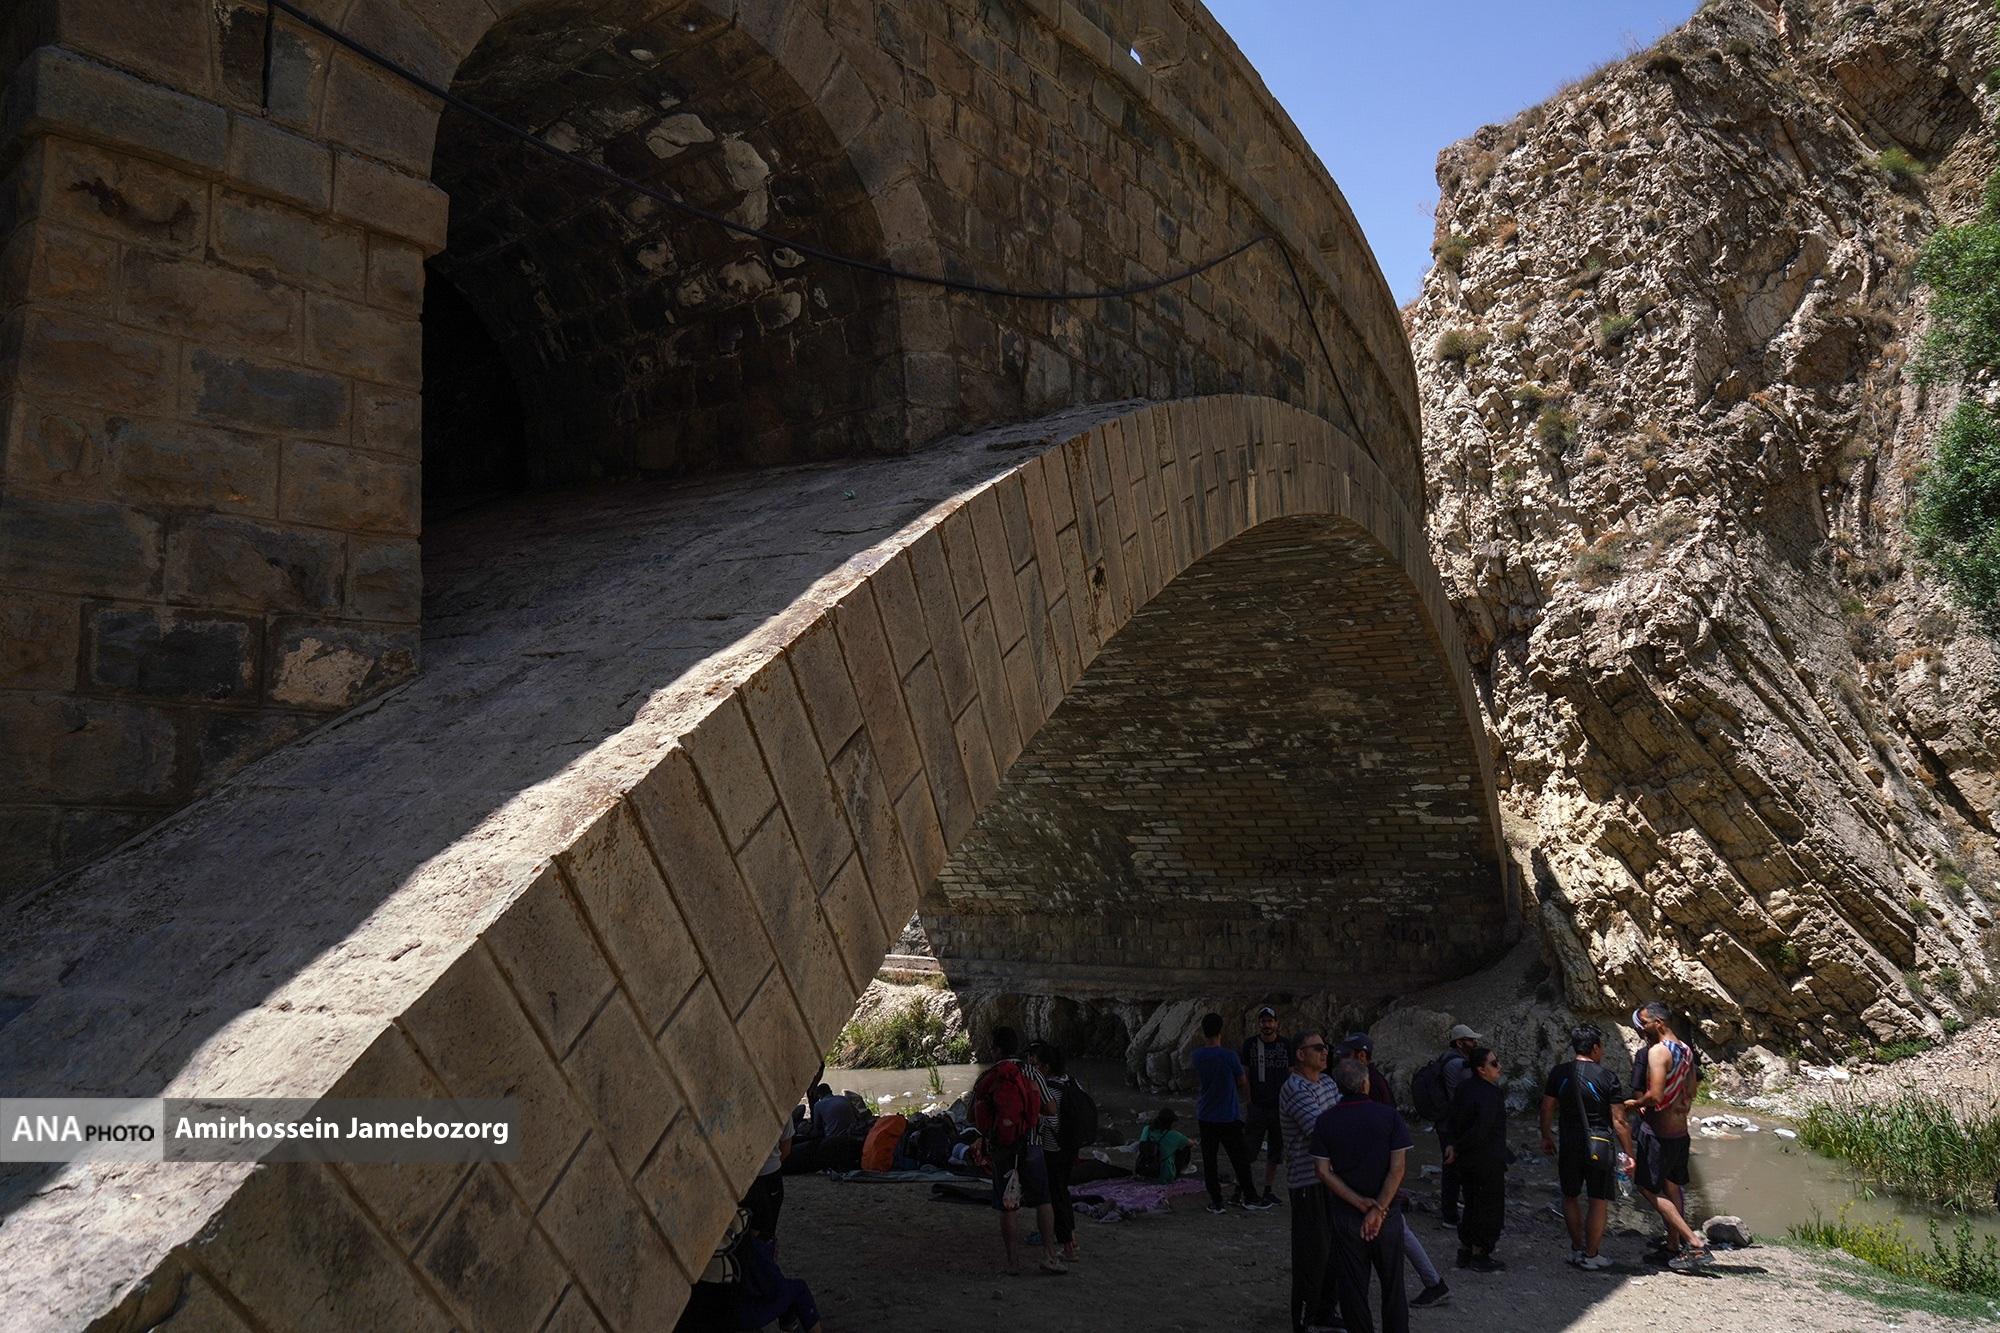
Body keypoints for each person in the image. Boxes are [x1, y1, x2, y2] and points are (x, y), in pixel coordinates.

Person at [1311, 1058, 1413, 1333]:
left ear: (1338, 1087)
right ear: (1366, 1083)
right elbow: (1397, 1169)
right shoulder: (1389, 1116)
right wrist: (1379, 1208)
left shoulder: (1325, 1121)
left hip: (1347, 1214)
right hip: (1387, 1216)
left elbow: (1322, 1171)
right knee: (1393, 1286)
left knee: (1353, 1289)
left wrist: (1359, 1203)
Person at [1624, 1003, 1712, 1271]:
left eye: (1644, 1023)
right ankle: (1673, 1246)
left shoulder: (1658, 1052)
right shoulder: (1685, 1050)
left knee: (1646, 1188)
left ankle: (1693, 1243)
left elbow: (1655, 1096)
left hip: (1659, 1133)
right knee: (1673, 1187)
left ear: (1659, 1023)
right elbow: (1691, 1092)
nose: (1641, 1028)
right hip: (1680, 1132)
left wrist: (1630, 1104)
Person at [972, 1026, 1066, 1276]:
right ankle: (1049, 1256)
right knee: (1043, 1200)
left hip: (1002, 1148)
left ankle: (1012, 1262)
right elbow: (1051, 1108)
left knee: (1007, 1205)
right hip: (1032, 1144)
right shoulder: (1032, 1072)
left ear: (996, 1049)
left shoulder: (989, 1076)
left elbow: (974, 1116)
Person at [1539, 1024, 1626, 1270]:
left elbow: (1546, 1107)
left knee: (1570, 1196)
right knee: (1598, 1199)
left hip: (1569, 1143)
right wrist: (1629, 1152)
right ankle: (1591, 1255)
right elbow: (1619, 1121)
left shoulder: (1559, 1073)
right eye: (1602, 1047)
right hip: (1600, 1144)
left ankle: (1577, 1249)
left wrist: (1546, 1136)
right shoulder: (1607, 1077)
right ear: (1595, 1048)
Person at [1279, 1029, 1342, 1333]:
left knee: (1333, 1252)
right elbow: (1320, 1130)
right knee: (1311, 1254)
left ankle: (1325, 1312)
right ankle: (1304, 1319)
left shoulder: (1328, 1083)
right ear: (1300, 1054)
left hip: (1332, 1180)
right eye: (1317, 1048)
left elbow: (1340, 1122)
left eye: (1325, 1046)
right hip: (1307, 1183)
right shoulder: (1294, 1088)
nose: (1324, 1051)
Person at [1192, 1011, 1269, 1212]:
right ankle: (1250, 1196)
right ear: (1221, 1031)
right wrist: (1248, 1101)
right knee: (1239, 1159)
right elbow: (1242, 1081)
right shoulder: (1229, 1056)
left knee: (1210, 1161)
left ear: (1203, 1032)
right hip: (1228, 1115)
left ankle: (1216, 1201)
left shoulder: (1197, 1056)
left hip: (1206, 1114)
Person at [1442, 1046, 1507, 1271]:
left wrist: (1453, 1145)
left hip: (1467, 1159)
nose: (1499, 1067)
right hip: (1486, 1159)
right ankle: (1481, 1253)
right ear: (1481, 1069)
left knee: (1471, 1204)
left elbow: (1452, 1119)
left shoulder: (1464, 1088)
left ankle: (1466, 1250)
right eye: (1494, 1064)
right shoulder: (1491, 1094)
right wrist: (1458, 1146)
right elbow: (1481, 1130)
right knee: (1489, 1207)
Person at [1029, 1040, 1081, 1264]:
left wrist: (1036, 1118)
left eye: (1036, 1064)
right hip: (1071, 1147)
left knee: (1055, 1196)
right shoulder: (1072, 1082)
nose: (1033, 1068)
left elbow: (1051, 1121)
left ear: (1046, 1067)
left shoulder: (1049, 1089)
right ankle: (1072, 1239)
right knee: (1063, 1192)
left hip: (1053, 1149)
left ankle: (1068, 1247)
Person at [1242, 1005, 1295, 1207]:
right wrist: (1249, 1101)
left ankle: (1268, 1189)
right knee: (1249, 1150)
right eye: (1263, 1021)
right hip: (1257, 1106)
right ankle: (1242, 1188)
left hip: (1279, 1107)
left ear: (1276, 1024)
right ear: (1259, 1024)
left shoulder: (1286, 1045)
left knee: (1275, 1151)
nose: (1267, 1025)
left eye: (1270, 1021)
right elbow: (1245, 1074)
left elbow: (1292, 1074)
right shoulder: (1250, 1045)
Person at [1432, 1024, 1483, 1225]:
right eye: (1471, 1040)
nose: (1475, 1043)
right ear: (1460, 1043)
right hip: (1453, 1124)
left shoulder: (1447, 1058)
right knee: (1453, 1169)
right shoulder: (1458, 1065)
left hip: (1447, 1122)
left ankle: (1451, 1209)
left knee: (1452, 1167)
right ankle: (1450, 1216)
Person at [744, 1111, 793, 1242]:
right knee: (767, 1230)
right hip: (770, 1175)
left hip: (742, 1179)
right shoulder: (781, 1110)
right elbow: (786, 1148)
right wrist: (770, 1164)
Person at [1138, 1107, 1192, 1183]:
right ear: (1170, 1123)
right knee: (1185, 1147)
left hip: (1143, 1169)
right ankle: (1180, 1171)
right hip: (1163, 1175)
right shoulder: (1174, 1135)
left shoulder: (1146, 1129)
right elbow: (1191, 1143)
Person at [1340, 1034, 1396, 1106]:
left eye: (1346, 1055)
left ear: (1362, 1056)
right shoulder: (1374, 1077)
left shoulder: (1370, 1083)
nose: (1342, 1061)